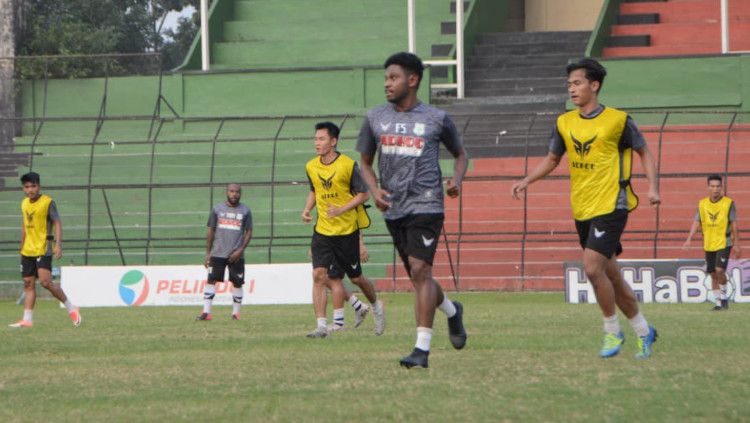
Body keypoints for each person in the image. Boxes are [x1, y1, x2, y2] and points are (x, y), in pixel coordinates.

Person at [511, 58, 660, 359]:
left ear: (595, 85)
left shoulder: (618, 121)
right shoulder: (565, 122)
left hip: (612, 203)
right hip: (582, 206)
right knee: (612, 276)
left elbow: (643, 151)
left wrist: (653, 187)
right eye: (569, 84)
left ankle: (611, 332)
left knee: (592, 268)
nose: (572, 89)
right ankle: (644, 331)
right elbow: (553, 160)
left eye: (577, 83)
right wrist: (527, 180)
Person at [357, 52, 468, 368]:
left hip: (428, 203)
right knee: (421, 279)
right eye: (386, 79)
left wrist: (456, 181)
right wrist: (374, 188)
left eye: (393, 78)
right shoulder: (375, 117)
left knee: (420, 271)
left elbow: (461, 155)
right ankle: (451, 310)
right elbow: (364, 162)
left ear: (413, 80)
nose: (387, 84)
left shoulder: (436, 118)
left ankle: (421, 350)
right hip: (394, 208)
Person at [302, 121, 385, 338]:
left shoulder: (347, 165)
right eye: (315, 139)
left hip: (346, 231)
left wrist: (341, 209)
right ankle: (321, 326)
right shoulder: (311, 166)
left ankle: (376, 305)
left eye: (321, 139)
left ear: (333, 141)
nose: (317, 143)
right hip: (322, 231)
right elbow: (315, 190)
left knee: (356, 278)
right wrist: (307, 209)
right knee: (319, 275)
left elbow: (364, 194)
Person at [9, 172, 81, 328]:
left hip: (43, 248)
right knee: (28, 283)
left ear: (39, 186)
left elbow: (57, 222)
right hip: (27, 250)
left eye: (33, 186)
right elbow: (24, 225)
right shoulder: (24, 203)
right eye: (27, 187)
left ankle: (71, 307)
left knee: (46, 282)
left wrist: (58, 244)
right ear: (23, 189)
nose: (30, 190)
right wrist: (21, 244)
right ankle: (27, 320)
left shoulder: (47, 202)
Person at [682, 174, 742, 310]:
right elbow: (696, 222)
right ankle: (718, 303)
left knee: (719, 270)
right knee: (713, 274)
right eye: (712, 186)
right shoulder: (702, 204)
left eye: (718, 186)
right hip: (709, 243)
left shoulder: (728, 203)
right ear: (708, 187)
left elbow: (734, 225)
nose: (715, 189)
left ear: (722, 187)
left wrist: (737, 245)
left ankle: (724, 297)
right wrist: (689, 239)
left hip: (724, 242)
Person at [197, 183, 253, 321]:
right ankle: (206, 313)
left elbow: (249, 232)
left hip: (236, 255)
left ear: (240, 193)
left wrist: (240, 250)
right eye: (232, 191)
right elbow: (211, 230)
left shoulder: (245, 210)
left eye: (237, 192)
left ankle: (235, 314)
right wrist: (208, 252)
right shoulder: (217, 209)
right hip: (217, 252)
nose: (234, 194)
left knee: (237, 283)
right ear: (227, 192)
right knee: (211, 281)